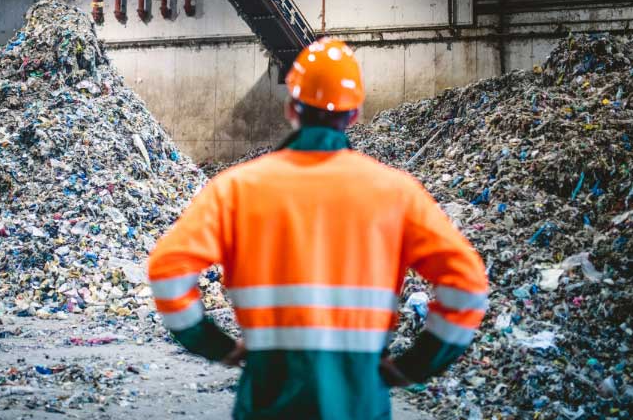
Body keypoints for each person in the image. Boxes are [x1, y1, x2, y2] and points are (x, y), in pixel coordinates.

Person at [147, 38, 489, 420]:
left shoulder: (236, 189)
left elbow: (168, 269)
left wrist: (213, 344)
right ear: (355, 114)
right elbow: (468, 285)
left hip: (267, 400)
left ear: (291, 107)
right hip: (359, 402)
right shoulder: (397, 193)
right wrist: (416, 364)